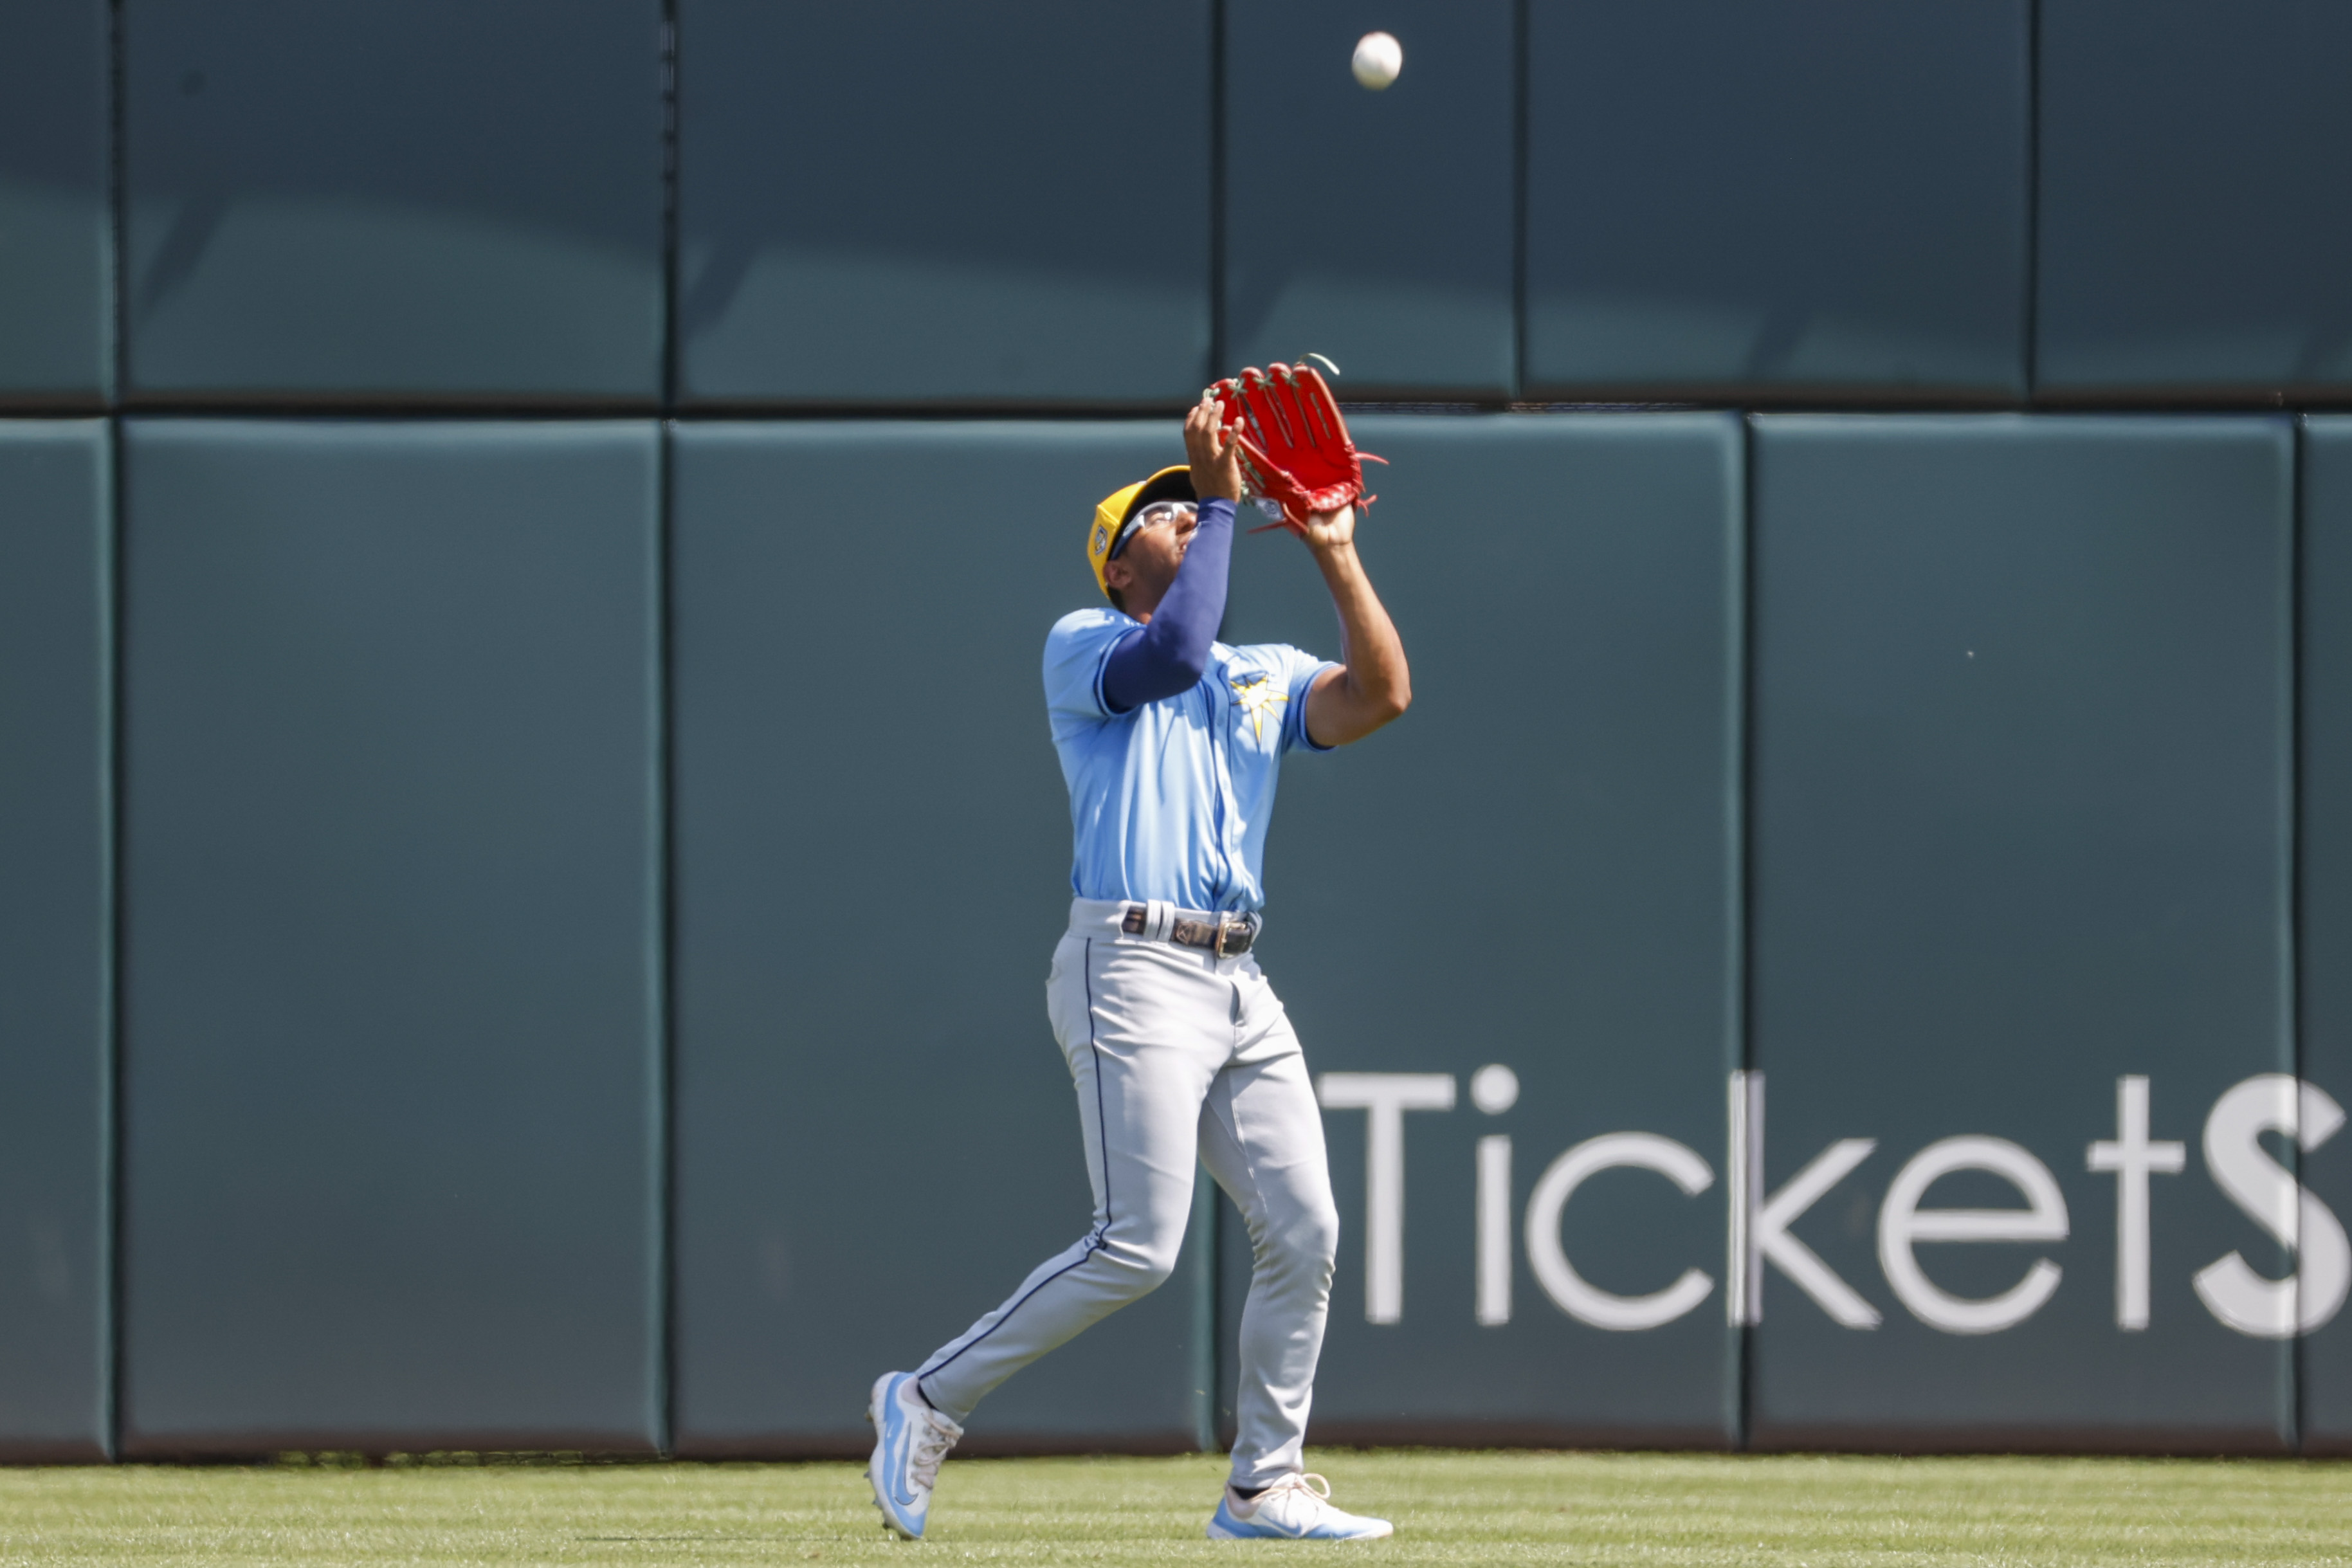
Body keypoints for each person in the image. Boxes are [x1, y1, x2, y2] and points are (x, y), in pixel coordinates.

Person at [866, 396, 1412, 1542]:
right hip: (1130, 962)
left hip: (1236, 978)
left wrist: (1335, 553)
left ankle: (1264, 1481)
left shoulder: (1260, 671)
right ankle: (924, 1398)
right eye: (1159, 514)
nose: (1185, 513)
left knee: (1306, 1229)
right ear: (1119, 565)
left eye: (1189, 506)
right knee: (1138, 1246)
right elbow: (1169, 651)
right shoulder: (1087, 643)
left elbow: (1380, 697)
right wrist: (1219, 497)